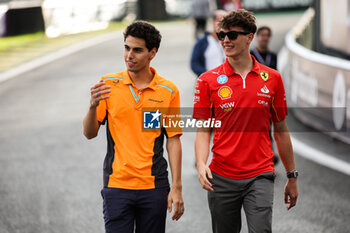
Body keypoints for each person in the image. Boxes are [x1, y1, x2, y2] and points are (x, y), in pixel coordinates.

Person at [193, 9, 298, 233]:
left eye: (232, 35)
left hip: (260, 174)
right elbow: (203, 130)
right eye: (221, 35)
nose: (225, 41)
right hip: (220, 176)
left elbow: (281, 129)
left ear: (250, 37)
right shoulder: (207, 81)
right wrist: (201, 164)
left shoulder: (272, 79)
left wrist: (292, 176)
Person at [83, 21, 184, 233]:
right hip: (117, 185)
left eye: (137, 50)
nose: (129, 55)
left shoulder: (169, 90)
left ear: (152, 53)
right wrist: (93, 106)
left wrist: (176, 187)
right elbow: (89, 134)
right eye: (127, 48)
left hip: (154, 187)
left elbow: (173, 139)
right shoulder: (108, 84)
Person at [251, 26, 279, 165]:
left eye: (267, 35)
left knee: (268, 128)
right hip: (253, 99)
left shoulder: (273, 56)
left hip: (268, 99)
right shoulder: (250, 55)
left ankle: (269, 154)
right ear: (257, 37)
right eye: (262, 35)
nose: (264, 38)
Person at [190, 10, 227, 77]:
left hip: (228, 83)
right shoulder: (202, 42)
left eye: (225, 22)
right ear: (212, 21)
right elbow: (194, 64)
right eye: (219, 20)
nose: (222, 25)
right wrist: (208, 76)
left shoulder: (233, 41)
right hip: (209, 82)